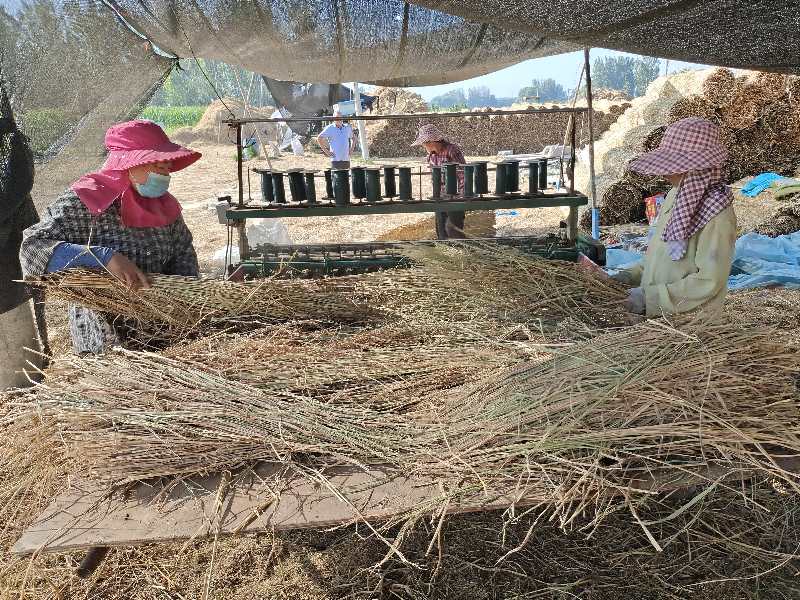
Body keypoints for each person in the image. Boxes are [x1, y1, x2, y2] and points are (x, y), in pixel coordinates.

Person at [20, 119, 202, 354]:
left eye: (167, 166)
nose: (165, 172)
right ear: (127, 163)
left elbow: (185, 262)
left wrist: (188, 305)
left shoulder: (165, 207)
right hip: (103, 343)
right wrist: (102, 258)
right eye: (157, 163)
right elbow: (33, 250)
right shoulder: (85, 201)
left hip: (162, 336)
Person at [613, 117, 737, 318]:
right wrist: (628, 277)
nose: (665, 172)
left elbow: (708, 281)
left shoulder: (718, 213)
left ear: (698, 167)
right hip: (658, 318)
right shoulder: (675, 195)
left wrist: (649, 299)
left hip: (689, 328)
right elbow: (659, 255)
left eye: (673, 165)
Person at [411, 123, 467, 239]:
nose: (423, 146)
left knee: (453, 229)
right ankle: (445, 250)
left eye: (424, 144)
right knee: (441, 229)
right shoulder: (431, 156)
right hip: (439, 196)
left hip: (454, 196)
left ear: (431, 142)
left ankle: (460, 253)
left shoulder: (452, 150)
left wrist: (462, 195)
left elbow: (463, 174)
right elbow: (434, 177)